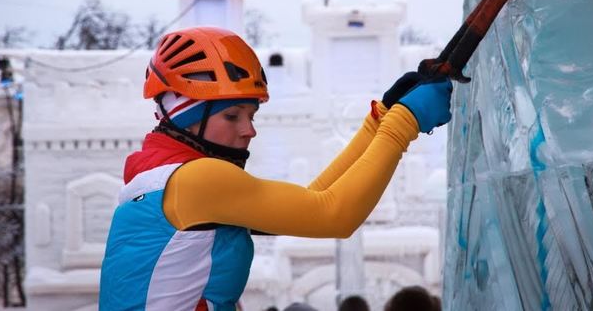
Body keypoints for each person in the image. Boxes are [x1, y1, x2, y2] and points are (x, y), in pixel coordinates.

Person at [99, 26, 452, 310]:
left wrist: (377, 122)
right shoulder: (196, 180)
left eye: (251, 115)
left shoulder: (159, 180)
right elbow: (336, 216)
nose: (248, 129)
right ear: (185, 117)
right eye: (232, 116)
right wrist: (404, 122)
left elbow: (313, 200)